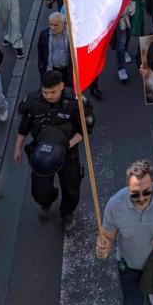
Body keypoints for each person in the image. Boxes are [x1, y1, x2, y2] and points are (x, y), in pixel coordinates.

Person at [97, 160, 153, 305]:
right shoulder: (114, 205)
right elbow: (107, 236)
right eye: (135, 194)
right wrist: (103, 246)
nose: (141, 198)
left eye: (147, 192)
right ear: (128, 188)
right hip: (129, 266)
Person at [15, 70, 91, 229]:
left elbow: (85, 129)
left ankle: (67, 213)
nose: (48, 96)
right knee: (40, 190)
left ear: (62, 86)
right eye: (45, 92)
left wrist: (66, 146)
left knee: (71, 186)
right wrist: (18, 148)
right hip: (41, 151)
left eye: (53, 92)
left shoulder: (75, 103)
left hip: (67, 151)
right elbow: (24, 127)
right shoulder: (33, 102)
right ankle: (46, 202)